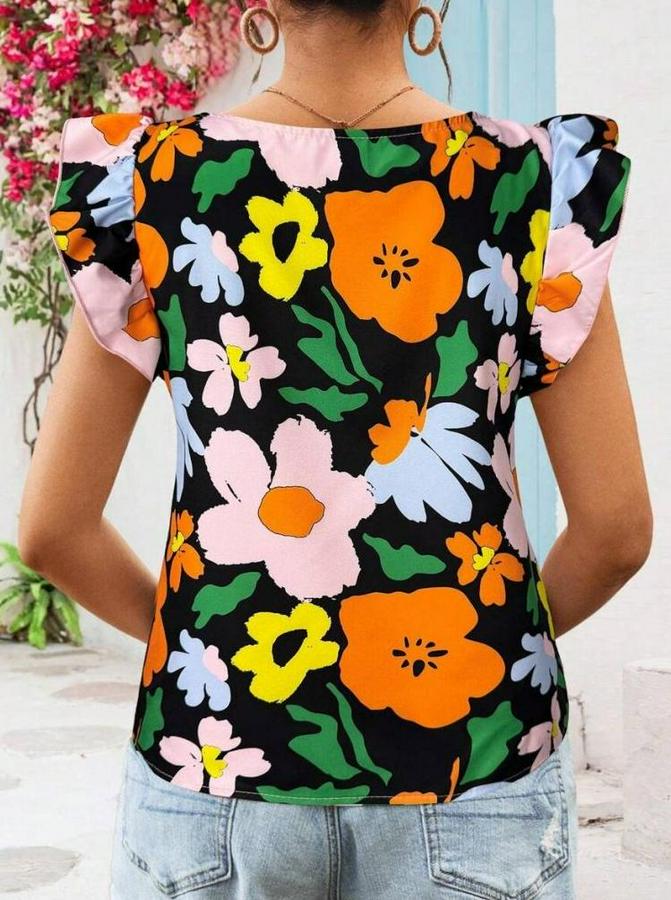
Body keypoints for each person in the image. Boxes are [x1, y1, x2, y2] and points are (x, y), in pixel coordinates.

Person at [18, 1, 652, 897]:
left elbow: (52, 531)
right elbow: (616, 530)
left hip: (216, 754)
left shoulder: (154, 184)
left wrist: (203, 650)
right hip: (471, 758)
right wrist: (487, 649)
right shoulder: (531, 187)